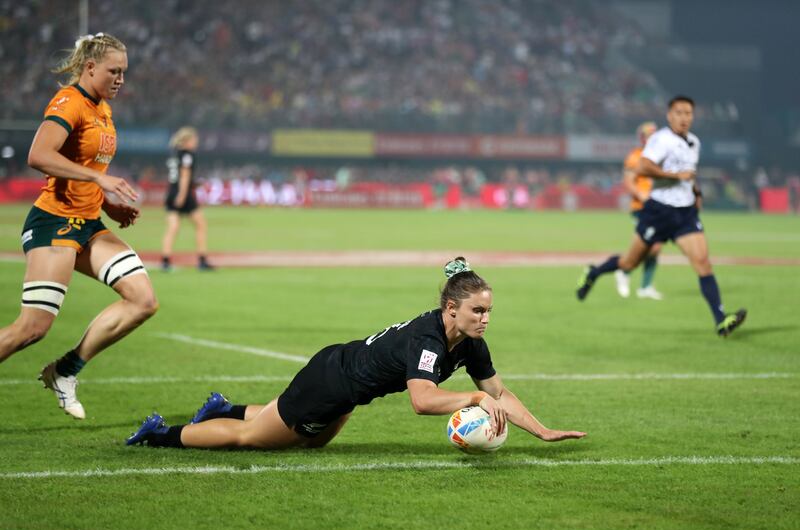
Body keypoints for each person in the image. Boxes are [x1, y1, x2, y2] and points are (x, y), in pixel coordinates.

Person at [126, 257, 586, 449]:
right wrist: (471, 400)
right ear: (451, 308)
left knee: (311, 440)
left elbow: (498, 393)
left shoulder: (471, 345)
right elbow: (423, 400)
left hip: (345, 386)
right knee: (259, 441)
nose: (485, 318)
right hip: (331, 381)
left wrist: (541, 430)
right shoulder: (428, 340)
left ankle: (226, 407)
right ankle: (161, 434)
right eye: (477, 310)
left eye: (489, 311)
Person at [0, 33, 158, 418]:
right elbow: (38, 155)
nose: (120, 79)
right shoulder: (70, 102)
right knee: (32, 329)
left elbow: (86, 171)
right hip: (54, 223)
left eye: (124, 72)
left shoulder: (102, 108)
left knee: (143, 301)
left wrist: (109, 206)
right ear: (90, 68)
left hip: (88, 224)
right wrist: (101, 181)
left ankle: (66, 370)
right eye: (113, 71)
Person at [576, 96, 746, 337]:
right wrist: (675, 177)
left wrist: (695, 191)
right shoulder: (660, 139)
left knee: (703, 263)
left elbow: (690, 174)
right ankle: (593, 273)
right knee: (629, 263)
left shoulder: (694, 143)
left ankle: (721, 320)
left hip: (685, 214)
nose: (684, 118)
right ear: (669, 115)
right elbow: (643, 167)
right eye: (679, 113)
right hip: (659, 211)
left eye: (688, 113)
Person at [614, 121, 664, 300]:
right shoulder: (635, 157)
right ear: (642, 138)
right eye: (649, 135)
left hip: (659, 207)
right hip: (641, 207)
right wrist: (642, 195)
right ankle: (626, 273)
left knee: (654, 248)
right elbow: (628, 182)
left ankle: (645, 286)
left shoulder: (661, 157)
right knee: (650, 246)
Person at [160, 127, 213, 272]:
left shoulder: (174, 154)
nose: (196, 142)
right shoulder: (187, 155)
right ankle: (202, 260)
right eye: (194, 140)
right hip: (183, 194)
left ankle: (165, 261)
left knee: (172, 227)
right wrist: (183, 195)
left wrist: (192, 184)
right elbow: (184, 176)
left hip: (171, 192)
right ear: (187, 141)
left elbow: (176, 176)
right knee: (201, 224)